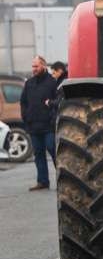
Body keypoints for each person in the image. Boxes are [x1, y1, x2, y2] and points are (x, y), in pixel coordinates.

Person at [21, 56, 58, 191]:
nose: (34, 69)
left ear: (43, 66)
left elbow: (57, 102)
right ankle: (43, 182)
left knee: (53, 149)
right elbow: (23, 102)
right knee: (38, 154)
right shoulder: (29, 83)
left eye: (36, 66)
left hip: (48, 126)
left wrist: (53, 119)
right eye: (32, 66)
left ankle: (62, 180)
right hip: (33, 125)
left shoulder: (52, 82)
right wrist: (26, 118)